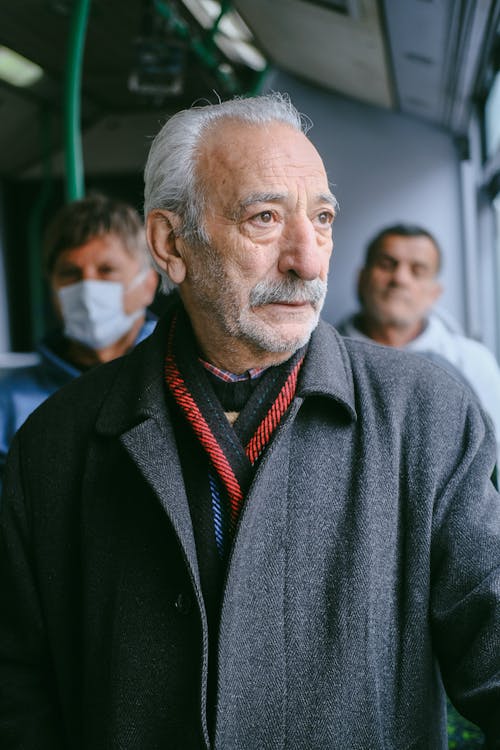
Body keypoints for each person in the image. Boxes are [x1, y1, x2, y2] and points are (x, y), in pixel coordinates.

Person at [0, 94, 499, 750]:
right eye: (266, 217)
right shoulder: (57, 443)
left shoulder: (425, 415)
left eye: (321, 219)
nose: (309, 260)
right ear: (171, 244)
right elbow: (18, 688)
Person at [0, 193, 158, 485]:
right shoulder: (9, 404)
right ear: (52, 287)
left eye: (106, 271)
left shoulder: (179, 379)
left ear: (148, 285)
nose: (87, 289)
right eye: (71, 273)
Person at [336, 223, 500, 456]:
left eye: (418, 270)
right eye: (387, 264)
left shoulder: (474, 363)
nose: (400, 278)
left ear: (434, 293)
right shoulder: (318, 358)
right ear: (362, 279)